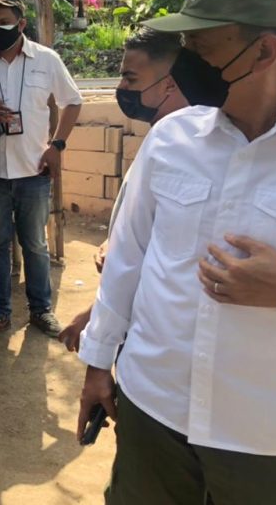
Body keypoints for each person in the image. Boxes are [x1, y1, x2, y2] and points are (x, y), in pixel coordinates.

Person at [77, 0, 276, 503]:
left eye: (201, 50)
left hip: (271, 436)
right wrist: (97, 364)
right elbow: (128, 262)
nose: (183, 66)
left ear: (264, 51)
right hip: (154, 410)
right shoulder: (172, 139)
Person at [0, 0, 83, 339]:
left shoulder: (47, 60)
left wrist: (57, 146)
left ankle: (41, 310)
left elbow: (72, 102)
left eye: (3, 22)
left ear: (22, 24)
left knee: (35, 245)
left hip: (34, 171)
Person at [58, 28, 188, 351]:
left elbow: (160, 262)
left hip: (154, 337)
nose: (121, 89)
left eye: (130, 79)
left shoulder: (186, 156)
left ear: (169, 83)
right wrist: (118, 240)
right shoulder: (158, 141)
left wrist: (97, 318)